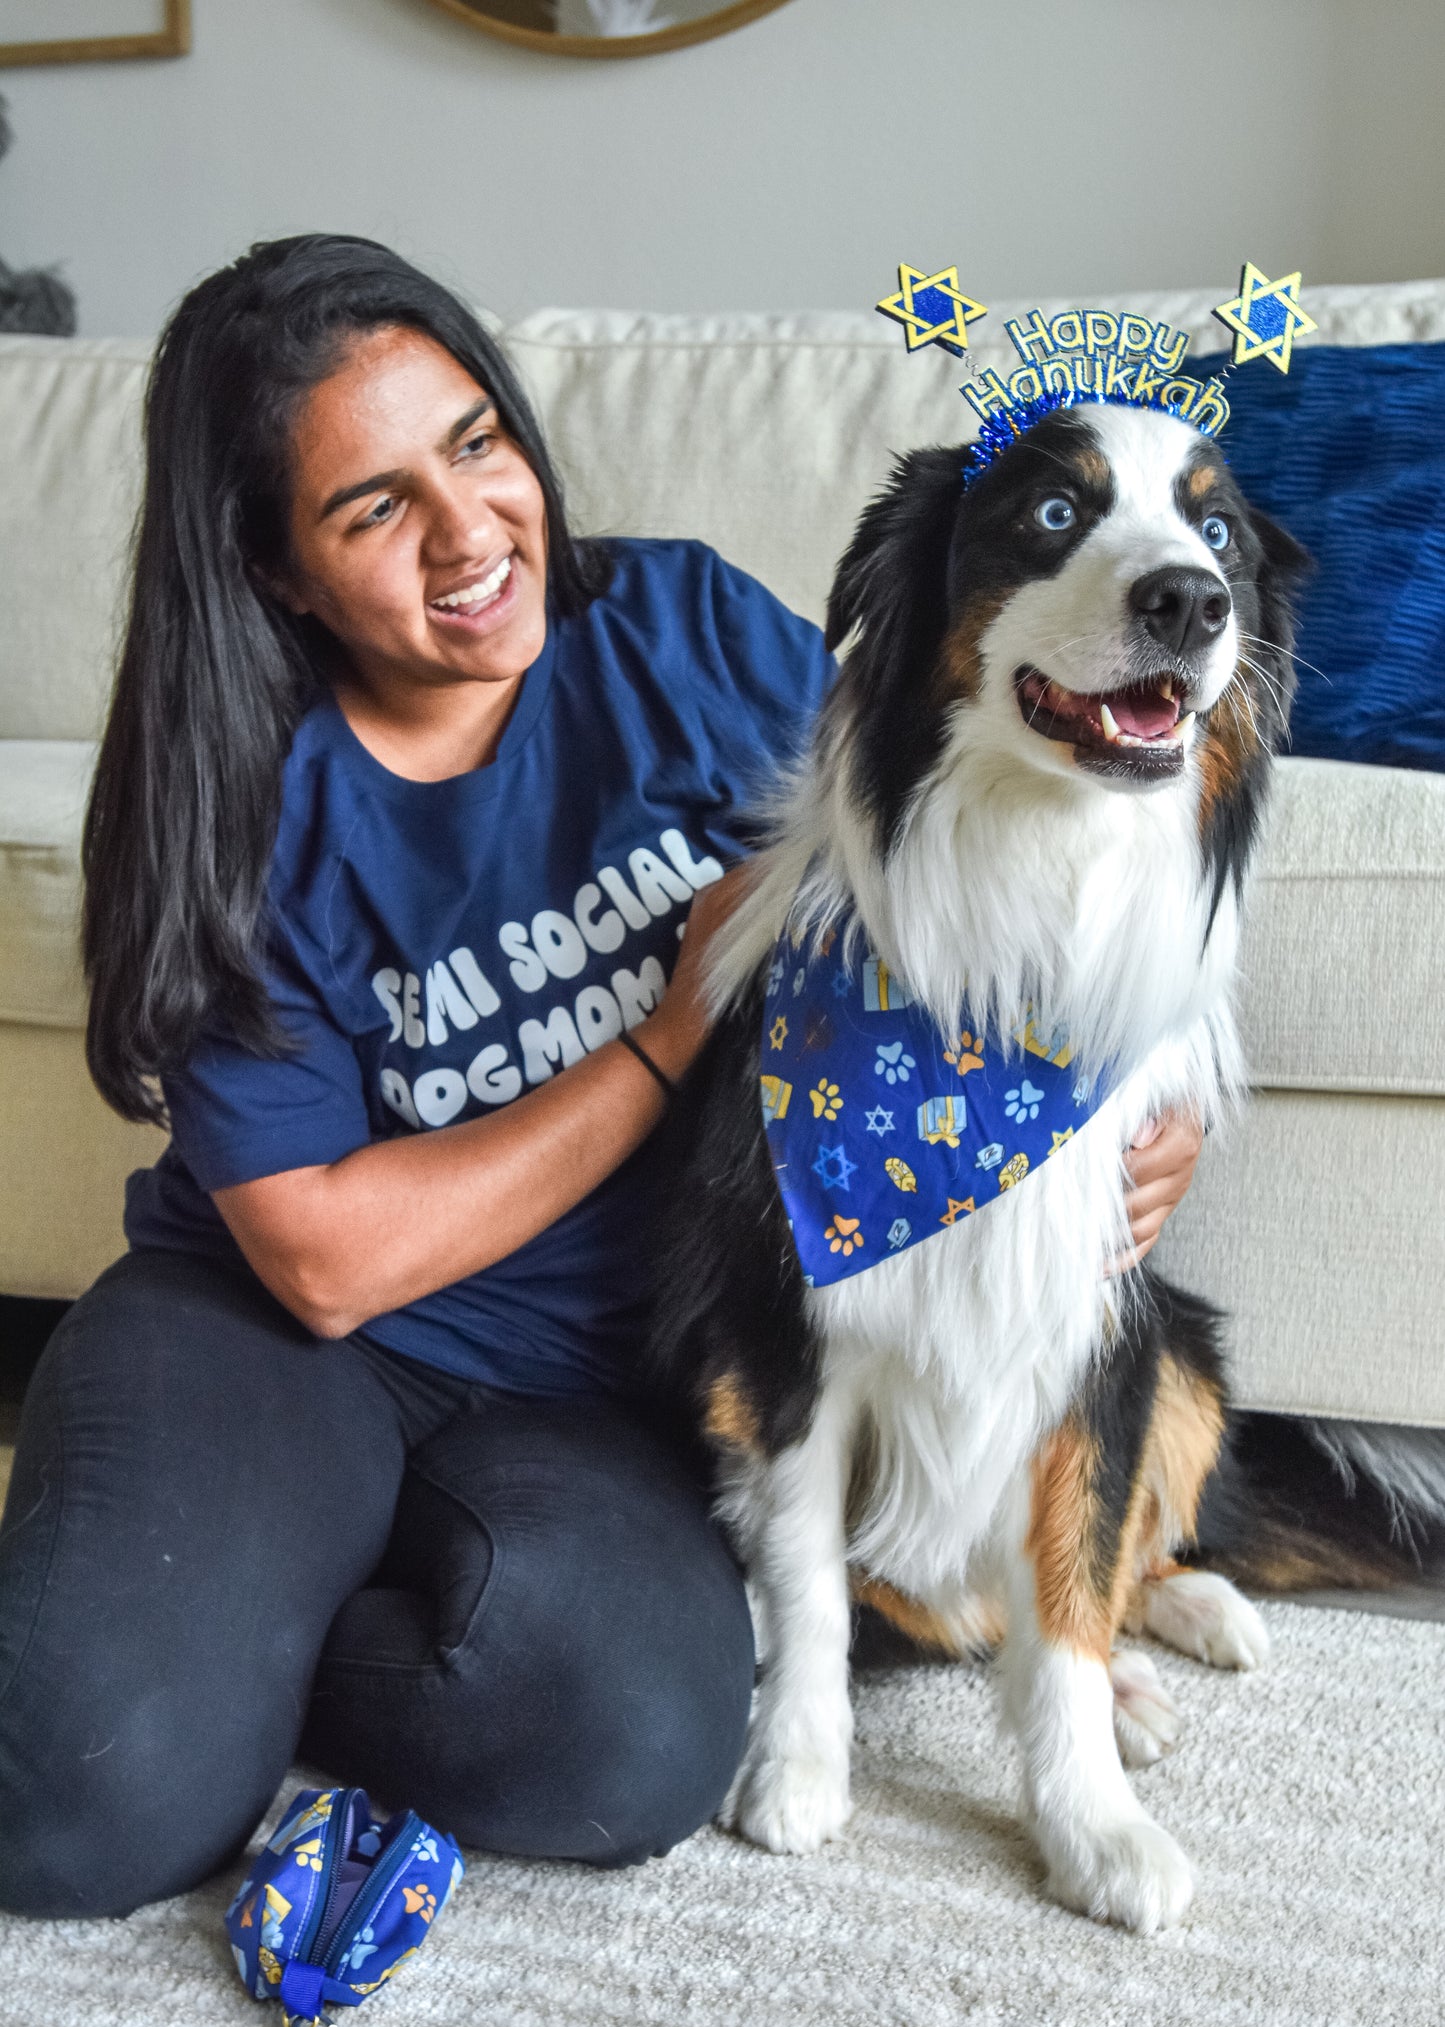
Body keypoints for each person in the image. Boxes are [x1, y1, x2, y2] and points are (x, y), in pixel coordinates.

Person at [0, 237, 1204, 1919]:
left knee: (624, 1752)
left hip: (614, 1383)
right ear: (271, 569)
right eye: (370, 509)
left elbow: (964, 852)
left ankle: (260, 1628)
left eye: (478, 444)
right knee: (74, 1806)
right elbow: (327, 1262)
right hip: (287, 1340)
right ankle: (173, 1622)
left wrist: (1133, 1102)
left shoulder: (688, 627)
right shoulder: (232, 806)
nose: (471, 532)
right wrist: (665, 1026)